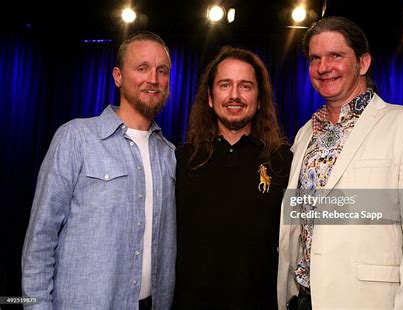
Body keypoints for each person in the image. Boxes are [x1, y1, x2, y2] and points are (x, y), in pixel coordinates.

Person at [277, 16, 403, 309]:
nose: (323, 67)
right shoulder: (305, 134)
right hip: (302, 299)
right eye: (315, 58)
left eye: (336, 56)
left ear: (363, 63)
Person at [22, 31, 176, 309]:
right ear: (118, 77)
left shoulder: (170, 156)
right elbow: (39, 243)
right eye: (142, 68)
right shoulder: (76, 138)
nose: (153, 79)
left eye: (161, 71)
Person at [173, 46, 292, 309]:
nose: (235, 95)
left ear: (259, 99)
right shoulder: (181, 160)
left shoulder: (284, 161)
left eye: (246, 86)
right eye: (225, 85)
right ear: (210, 97)